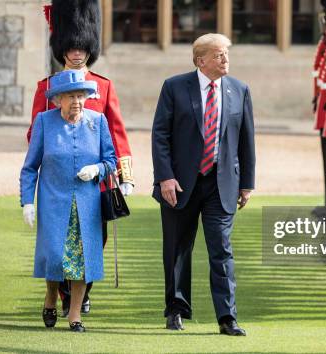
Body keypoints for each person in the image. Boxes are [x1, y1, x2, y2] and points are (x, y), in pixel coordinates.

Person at [29, 0, 134, 316]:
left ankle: (80, 291)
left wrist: (124, 174)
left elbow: (116, 131)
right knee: (56, 240)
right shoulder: (46, 87)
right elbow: (35, 132)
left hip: (95, 179)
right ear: (62, 48)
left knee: (93, 239)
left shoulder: (103, 86)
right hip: (58, 180)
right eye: (71, 47)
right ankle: (64, 293)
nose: (77, 52)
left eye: (82, 47)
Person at [151, 33, 255, 336]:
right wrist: (165, 177)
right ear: (201, 60)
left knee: (221, 250)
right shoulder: (174, 87)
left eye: (226, 54)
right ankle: (176, 309)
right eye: (219, 55)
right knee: (177, 248)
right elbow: (160, 136)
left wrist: (246, 183)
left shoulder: (239, 90)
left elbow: (246, 140)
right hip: (180, 184)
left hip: (221, 185)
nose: (225, 60)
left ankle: (227, 317)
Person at [20, 69, 117, 332]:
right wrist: (27, 201)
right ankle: (51, 296)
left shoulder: (98, 121)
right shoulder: (44, 121)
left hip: (87, 204)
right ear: (58, 100)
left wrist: (97, 169)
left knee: (82, 259)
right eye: (71, 96)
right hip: (53, 201)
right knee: (54, 257)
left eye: (81, 96)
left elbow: (111, 161)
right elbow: (30, 167)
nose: (77, 101)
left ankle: (75, 315)